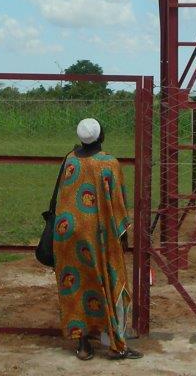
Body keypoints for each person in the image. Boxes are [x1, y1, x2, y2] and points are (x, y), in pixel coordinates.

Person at [52, 117, 142, 361]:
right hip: (98, 235)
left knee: (78, 285)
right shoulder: (108, 163)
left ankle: (83, 344)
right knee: (112, 282)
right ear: (101, 136)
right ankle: (116, 342)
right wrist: (123, 234)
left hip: (68, 234)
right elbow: (118, 203)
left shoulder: (70, 160)